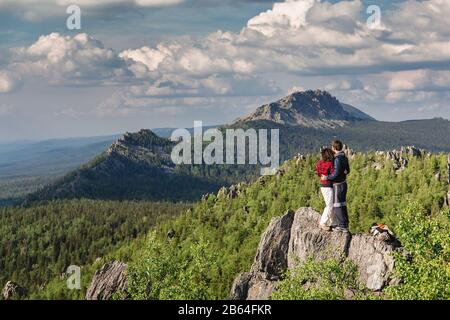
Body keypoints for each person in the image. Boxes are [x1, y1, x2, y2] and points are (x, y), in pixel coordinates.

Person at [321, 140, 350, 233]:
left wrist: (327, 177)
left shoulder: (337, 159)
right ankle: (345, 224)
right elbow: (347, 170)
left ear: (333, 148)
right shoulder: (344, 157)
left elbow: (335, 174)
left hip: (338, 185)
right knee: (343, 204)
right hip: (344, 184)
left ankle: (342, 226)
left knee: (337, 205)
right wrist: (344, 172)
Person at [315, 148, 335, 231]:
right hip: (328, 186)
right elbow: (334, 174)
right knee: (330, 205)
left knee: (330, 204)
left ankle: (333, 222)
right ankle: (323, 222)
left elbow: (318, 173)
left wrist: (323, 176)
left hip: (322, 185)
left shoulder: (319, 163)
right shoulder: (330, 164)